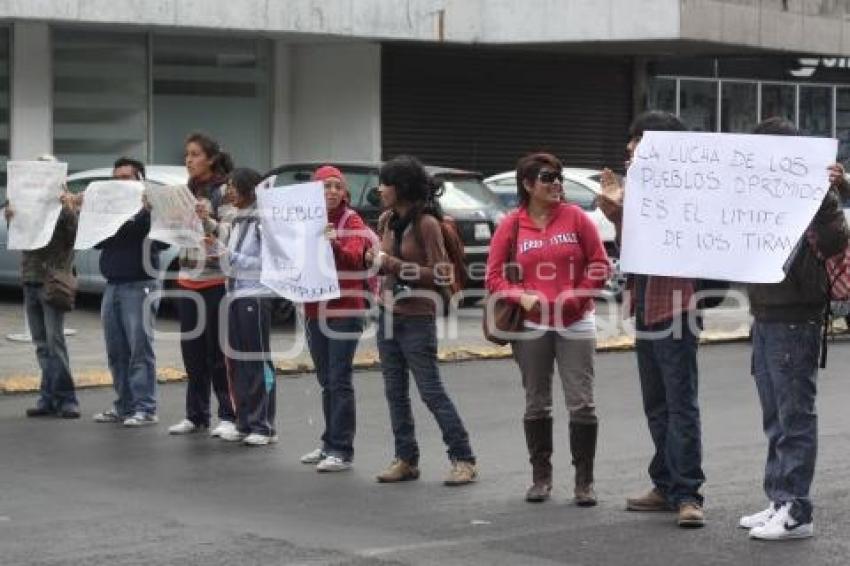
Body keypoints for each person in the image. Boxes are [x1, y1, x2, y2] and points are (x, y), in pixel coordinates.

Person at [739, 118, 849, 541]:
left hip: (796, 315)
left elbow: (836, 240)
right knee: (776, 416)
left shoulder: (815, 192)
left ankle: (797, 511)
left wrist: (824, 194)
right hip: (766, 313)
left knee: (794, 416)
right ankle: (780, 498)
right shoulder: (761, 193)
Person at [596, 111, 706, 528]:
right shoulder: (638, 184)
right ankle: (665, 484)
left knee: (680, 406)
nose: (629, 146)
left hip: (678, 306)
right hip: (647, 304)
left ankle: (688, 493)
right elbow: (635, 249)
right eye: (630, 139)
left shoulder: (690, 186)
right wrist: (617, 213)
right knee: (657, 406)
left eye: (639, 139)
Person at [486, 152, 610, 505]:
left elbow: (600, 265)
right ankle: (541, 479)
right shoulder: (511, 225)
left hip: (575, 320)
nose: (556, 183)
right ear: (527, 185)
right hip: (531, 324)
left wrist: (576, 296)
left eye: (559, 176)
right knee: (536, 403)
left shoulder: (576, 218)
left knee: (582, 403)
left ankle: (584, 483)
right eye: (546, 177)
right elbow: (494, 277)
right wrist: (517, 295)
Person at [365, 155, 478, 486]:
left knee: (430, 391)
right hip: (388, 315)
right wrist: (373, 261)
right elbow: (382, 263)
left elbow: (441, 274)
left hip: (417, 318)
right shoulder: (387, 220)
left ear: (400, 189)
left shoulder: (427, 224)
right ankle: (406, 458)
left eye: (386, 184)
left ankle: (463, 458)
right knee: (394, 392)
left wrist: (394, 264)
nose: (380, 189)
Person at [300, 165, 371, 472]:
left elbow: (356, 259)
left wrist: (335, 244)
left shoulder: (350, 220)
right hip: (315, 308)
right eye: (325, 186)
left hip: (345, 309)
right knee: (326, 380)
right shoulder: (305, 221)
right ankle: (329, 442)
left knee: (339, 379)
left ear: (345, 192)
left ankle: (342, 450)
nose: (331, 192)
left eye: (336, 187)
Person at [167, 133, 237, 437]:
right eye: (186, 155)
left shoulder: (224, 191)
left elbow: (232, 232)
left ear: (210, 158)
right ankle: (195, 414)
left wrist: (207, 220)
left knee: (218, 353)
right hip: (187, 278)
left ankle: (228, 415)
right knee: (192, 351)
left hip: (215, 280)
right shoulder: (184, 191)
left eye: (195, 154)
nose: (188, 160)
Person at [91, 157, 165, 427]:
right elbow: (96, 242)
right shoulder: (109, 209)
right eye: (116, 178)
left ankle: (145, 407)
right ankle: (124, 405)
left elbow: (163, 241)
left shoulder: (152, 207)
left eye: (125, 178)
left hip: (140, 284)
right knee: (116, 350)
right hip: (113, 284)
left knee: (139, 349)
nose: (119, 183)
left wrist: (146, 212)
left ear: (139, 180)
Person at [5, 154, 80, 419]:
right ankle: (48, 398)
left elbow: (74, 238)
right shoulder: (24, 201)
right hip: (30, 278)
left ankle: (68, 399)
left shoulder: (64, 204)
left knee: (55, 341)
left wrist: (69, 209)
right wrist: (10, 216)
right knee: (41, 343)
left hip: (53, 279)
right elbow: (19, 235)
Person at [219, 168, 278, 446]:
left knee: (256, 360)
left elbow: (267, 262)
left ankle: (263, 424)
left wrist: (227, 254)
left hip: (255, 294)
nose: (227, 191)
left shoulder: (261, 221)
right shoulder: (238, 219)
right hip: (235, 295)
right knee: (238, 361)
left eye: (233, 186)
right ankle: (244, 420)